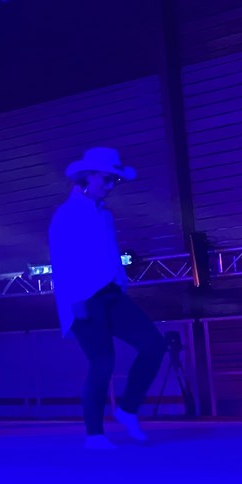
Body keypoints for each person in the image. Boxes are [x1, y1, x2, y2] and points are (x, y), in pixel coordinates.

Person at [49, 147, 164, 449]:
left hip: (111, 292)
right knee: (102, 362)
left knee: (154, 344)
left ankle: (127, 409)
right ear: (88, 177)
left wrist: (121, 284)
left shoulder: (104, 214)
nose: (111, 186)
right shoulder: (67, 214)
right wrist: (74, 301)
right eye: (106, 179)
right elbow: (62, 260)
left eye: (115, 180)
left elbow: (109, 255)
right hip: (84, 297)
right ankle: (94, 434)